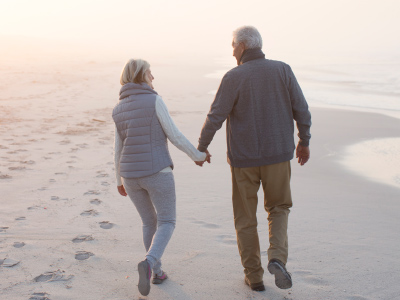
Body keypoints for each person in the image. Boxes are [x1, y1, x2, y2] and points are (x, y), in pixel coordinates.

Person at [197, 26, 311, 291]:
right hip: (278, 156)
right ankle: (277, 258)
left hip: (243, 160)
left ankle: (254, 276)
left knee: (245, 218)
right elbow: (301, 109)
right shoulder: (283, 70)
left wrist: (201, 148)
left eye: (232, 46)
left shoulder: (233, 76)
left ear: (242, 47)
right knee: (279, 208)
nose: (232, 51)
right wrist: (304, 141)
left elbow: (215, 116)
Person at [112, 59, 210, 296]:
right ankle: (150, 261)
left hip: (130, 176)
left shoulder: (118, 108)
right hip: (157, 172)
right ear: (140, 76)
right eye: (150, 73)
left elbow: (118, 147)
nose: (153, 78)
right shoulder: (155, 100)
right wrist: (197, 155)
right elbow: (174, 134)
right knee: (167, 222)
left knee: (149, 223)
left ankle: (156, 272)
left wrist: (118, 181)